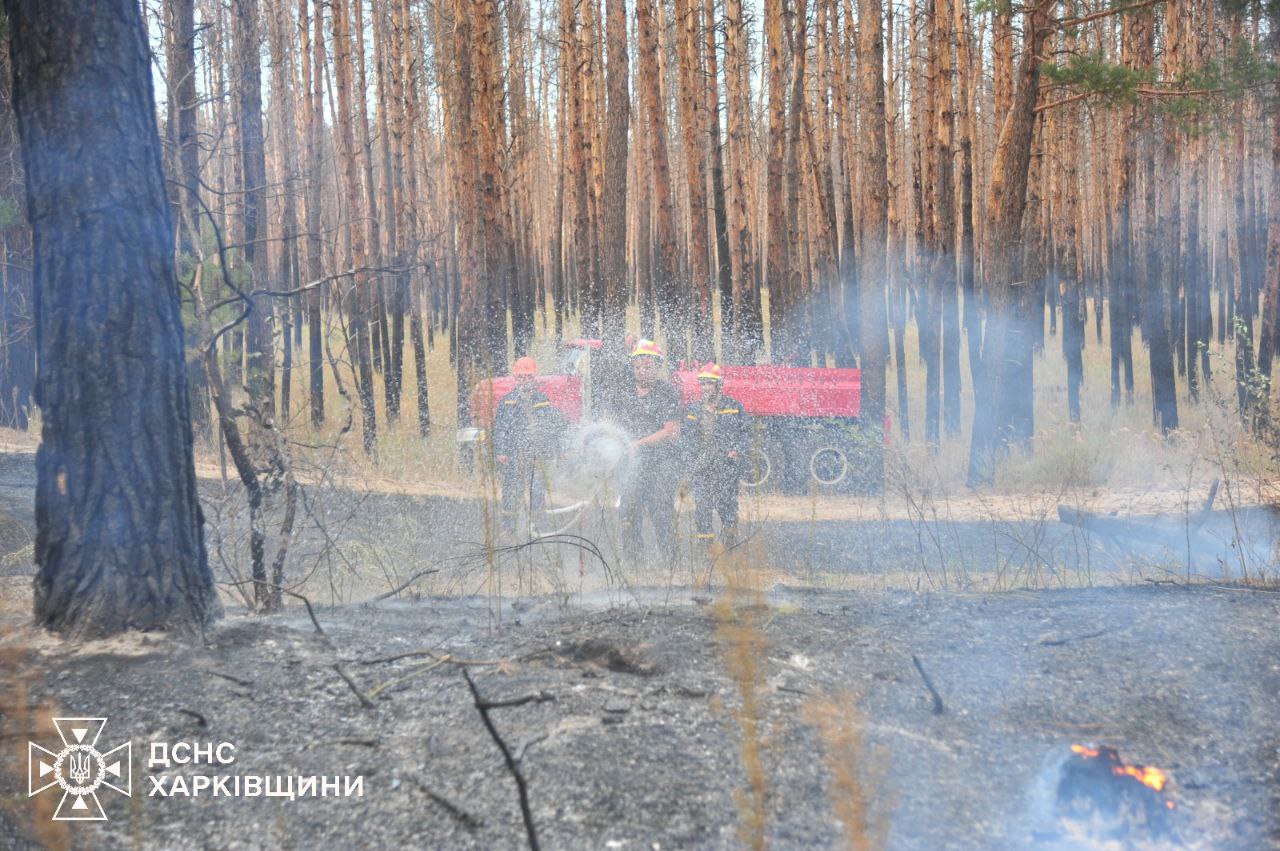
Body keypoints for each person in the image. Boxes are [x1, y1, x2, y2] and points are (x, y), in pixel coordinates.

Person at [615, 339, 682, 563]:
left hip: (661, 461)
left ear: (657, 366)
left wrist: (639, 444)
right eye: (638, 367)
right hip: (632, 464)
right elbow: (614, 425)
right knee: (629, 510)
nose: (642, 371)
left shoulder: (667, 392)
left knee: (661, 509)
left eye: (647, 366)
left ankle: (670, 561)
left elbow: (670, 431)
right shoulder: (623, 392)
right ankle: (634, 563)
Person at [493, 356, 564, 536]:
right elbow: (500, 428)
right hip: (513, 455)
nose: (525, 380)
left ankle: (538, 527)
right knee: (511, 492)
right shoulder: (507, 402)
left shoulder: (542, 400)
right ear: (515, 378)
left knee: (537, 491)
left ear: (534, 378)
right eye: (521, 377)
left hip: (536, 456)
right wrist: (500, 451)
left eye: (528, 377)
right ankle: (509, 529)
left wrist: (557, 449)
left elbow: (551, 427)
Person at [682, 363, 749, 549]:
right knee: (703, 508)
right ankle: (707, 551)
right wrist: (691, 462)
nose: (705, 387)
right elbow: (687, 438)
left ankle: (730, 548)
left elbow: (746, 433)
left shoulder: (734, 407)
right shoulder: (694, 410)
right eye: (703, 383)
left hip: (726, 467)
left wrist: (737, 450)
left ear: (719, 384)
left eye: (709, 383)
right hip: (702, 468)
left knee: (727, 507)